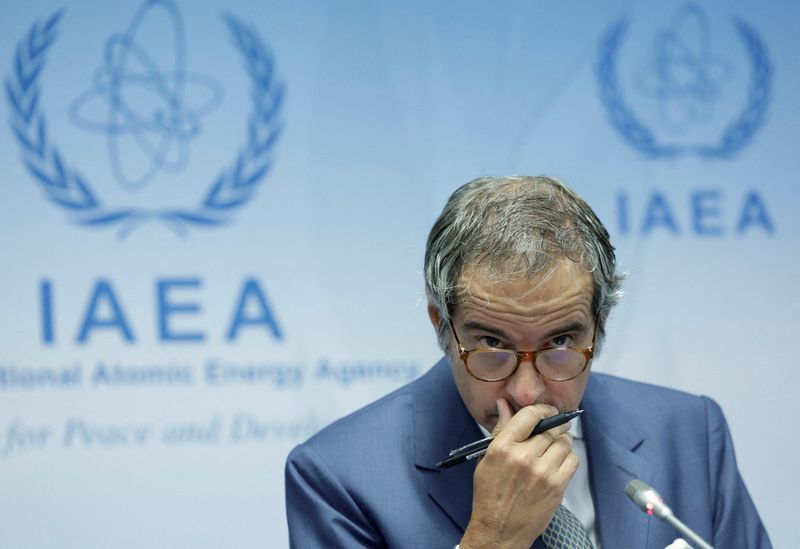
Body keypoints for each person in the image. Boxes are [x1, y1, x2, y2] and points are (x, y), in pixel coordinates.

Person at [285, 176, 771, 548]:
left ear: (599, 325)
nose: (527, 393)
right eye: (492, 344)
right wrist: (492, 538)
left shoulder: (688, 430)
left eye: (560, 340)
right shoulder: (338, 476)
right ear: (442, 325)